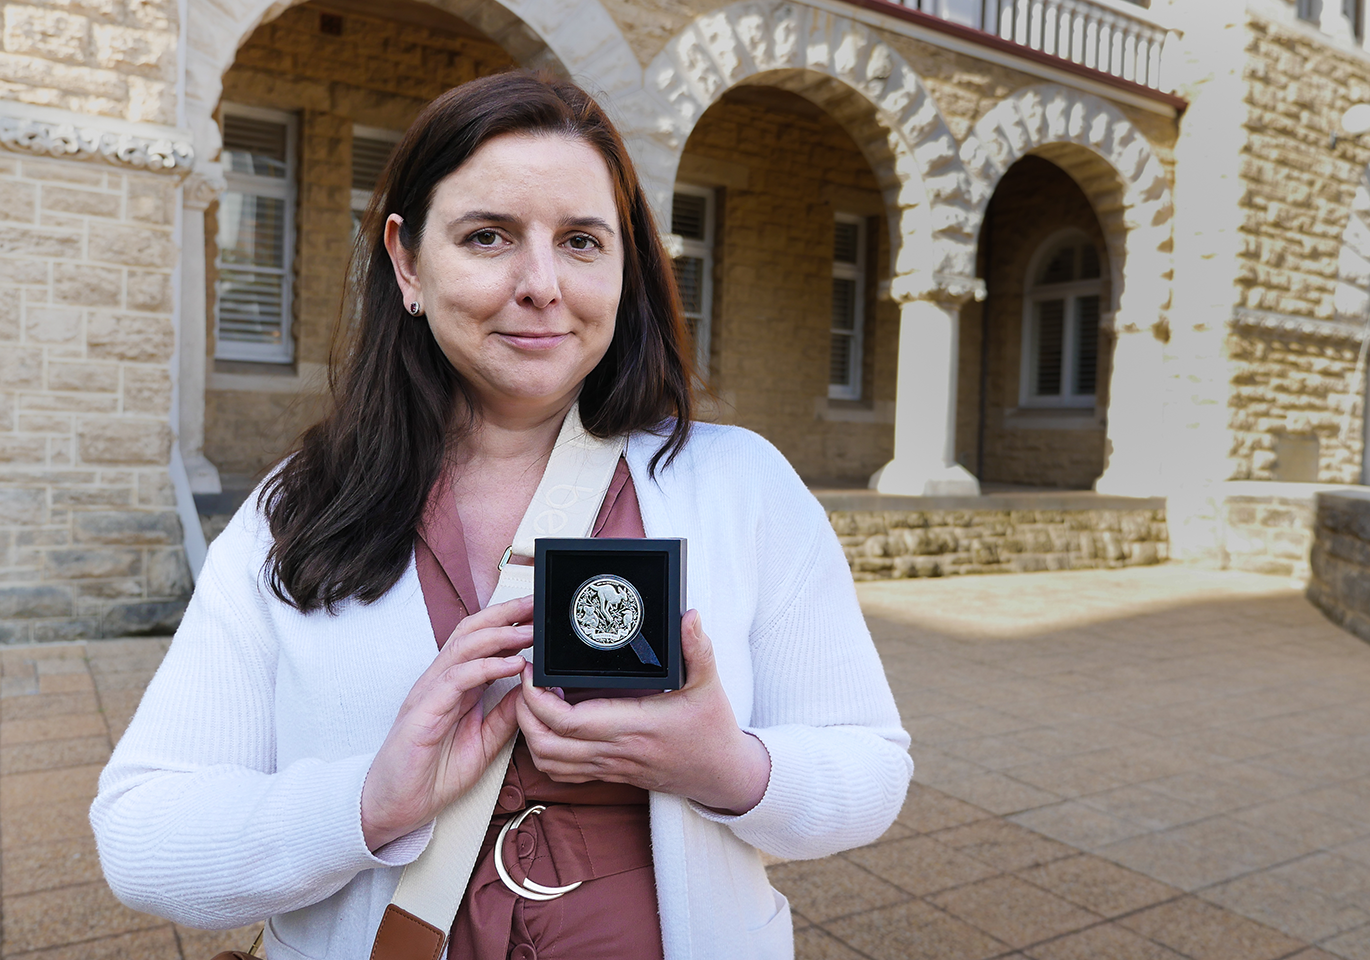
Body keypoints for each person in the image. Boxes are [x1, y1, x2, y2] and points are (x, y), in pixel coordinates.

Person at [91, 71, 911, 960]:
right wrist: (368, 802)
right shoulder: (297, 509)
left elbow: (870, 768)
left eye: (582, 241)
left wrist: (729, 768)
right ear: (407, 260)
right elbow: (142, 837)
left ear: (625, 262)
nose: (542, 284)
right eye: (489, 237)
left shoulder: (741, 486)